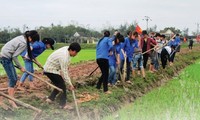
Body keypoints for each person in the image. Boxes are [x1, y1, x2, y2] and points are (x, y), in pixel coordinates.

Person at [0, 30, 40, 108]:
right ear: (30, 38)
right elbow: (14, 56)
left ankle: (11, 99)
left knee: (14, 79)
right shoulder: (24, 43)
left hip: (5, 56)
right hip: (5, 58)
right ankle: (11, 100)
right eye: (34, 41)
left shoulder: (21, 37)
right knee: (13, 79)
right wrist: (21, 67)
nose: (33, 43)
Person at [43, 42, 81, 109]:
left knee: (59, 85)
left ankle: (50, 99)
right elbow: (65, 72)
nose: (76, 54)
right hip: (50, 70)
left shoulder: (67, 49)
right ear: (72, 50)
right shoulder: (64, 57)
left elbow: (66, 66)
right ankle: (63, 104)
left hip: (52, 68)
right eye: (76, 52)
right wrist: (70, 84)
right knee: (62, 85)